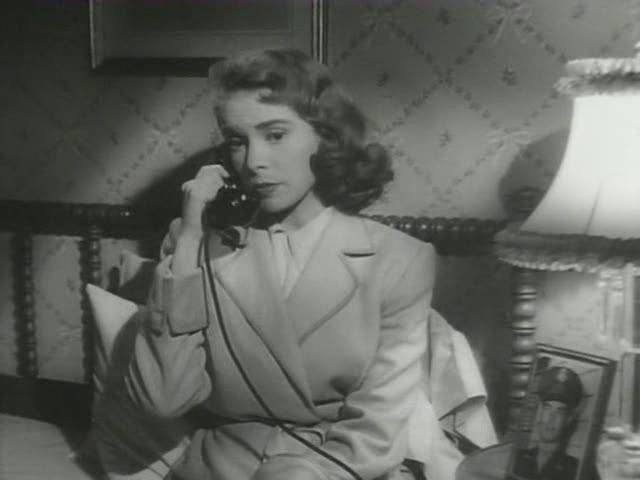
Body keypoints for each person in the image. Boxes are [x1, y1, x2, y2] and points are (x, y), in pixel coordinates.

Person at [118, 48, 466, 480]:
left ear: (325, 136)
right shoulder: (198, 250)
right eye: (237, 141)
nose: (254, 161)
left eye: (276, 134)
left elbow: (378, 427)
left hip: (336, 471)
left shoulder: (402, 260)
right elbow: (161, 399)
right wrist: (189, 235)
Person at [512, 366, 583, 480]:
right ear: (540, 412)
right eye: (547, 408)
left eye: (560, 412)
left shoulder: (575, 471)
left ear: (568, 419)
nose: (551, 419)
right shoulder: (516, 458)